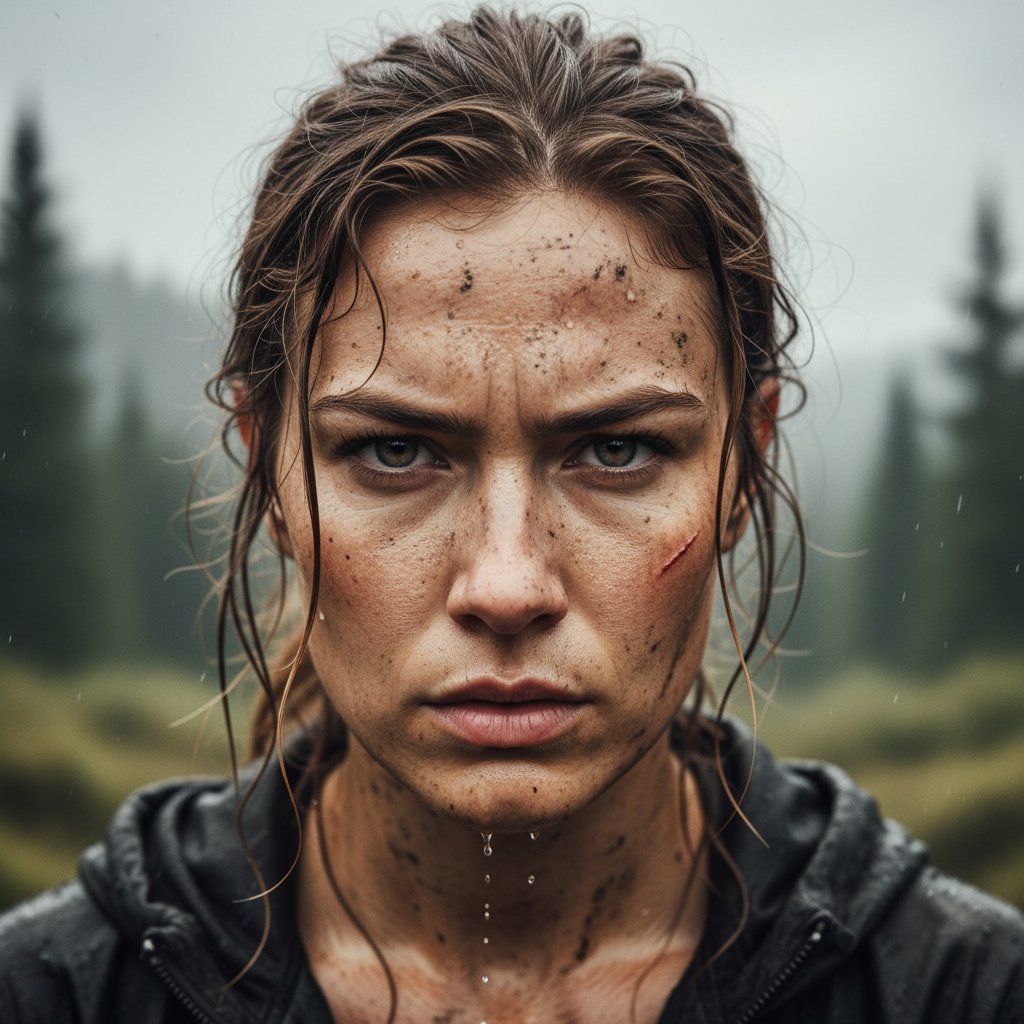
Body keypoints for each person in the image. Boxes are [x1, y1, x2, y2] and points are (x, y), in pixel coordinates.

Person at [1, 7, 1021, 1022]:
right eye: (393, 451)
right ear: (266, 468)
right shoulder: (52, 995)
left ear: (744, 467)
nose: (505, 585)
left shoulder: (962, 994)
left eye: (617, 450)